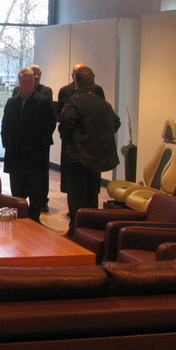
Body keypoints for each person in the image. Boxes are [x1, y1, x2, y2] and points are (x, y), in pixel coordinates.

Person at [59, 66, 121, 237]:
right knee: (92, 197)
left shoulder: (74, 101)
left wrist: (75, 140)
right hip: (97, 158)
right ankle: (89, 232)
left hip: (78, 158)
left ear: (76, 82)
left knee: (76, 197)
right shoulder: (103, 103)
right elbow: (115, 123)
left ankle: (75, 231)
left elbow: (65, 126)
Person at [1, 67, 57, 222]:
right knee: (17, 189)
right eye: (23, 82)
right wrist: (7, 143)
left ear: (33, 82)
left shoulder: (42, 101)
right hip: (16, 153)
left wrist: (41, 144)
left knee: (35, 189)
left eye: (29, 81)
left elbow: (50, 124)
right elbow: (5, 125)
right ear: (19, 83)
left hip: (35, 153)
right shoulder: (12, 102)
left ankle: (34, 220)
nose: (26, 85)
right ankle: (20, 219)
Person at [57, 63, 106, 191]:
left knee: (83, 188)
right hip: (79, 147)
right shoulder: (65, 91)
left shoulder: (95, 93)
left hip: (84, 148)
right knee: (80, 186)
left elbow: (65, 124)